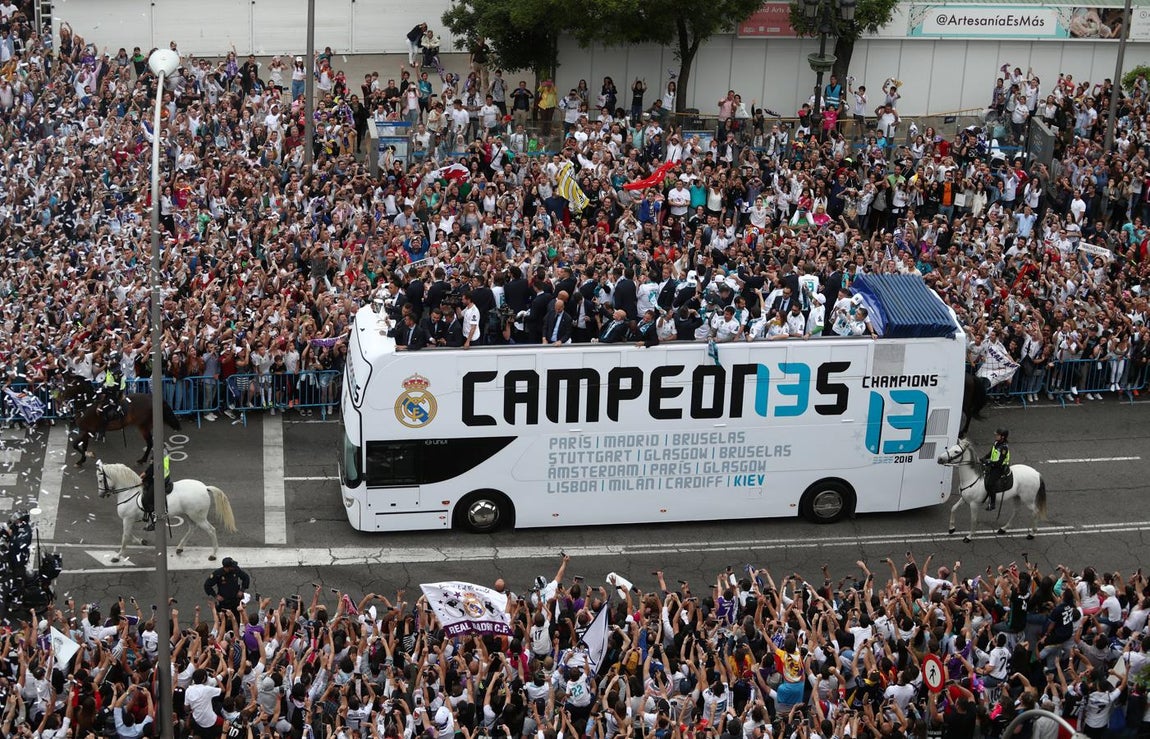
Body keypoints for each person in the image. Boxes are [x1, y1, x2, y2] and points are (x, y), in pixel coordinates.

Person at [139, 453, 172, 531]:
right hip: (164, 476)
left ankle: (154, 522)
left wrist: (143, 479)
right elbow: (152, 467)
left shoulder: (159, 452)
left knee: (147, 499)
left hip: (160, 479)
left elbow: (153, 468)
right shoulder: (163, 451)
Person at [96, 354, 126, 439]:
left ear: (115, 361)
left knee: (103, 409)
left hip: (116, 393)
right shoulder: (110, 368)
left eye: (111, 360)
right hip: (109, 390)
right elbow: (107, 379)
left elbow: (116, 387)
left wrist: (104, 389)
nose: (109, 361)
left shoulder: (117, 371)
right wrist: (102, 385)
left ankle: (102, 432)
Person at [982, 427, 1011, 511]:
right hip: (993, 464)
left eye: (997, 435)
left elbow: (999, 462)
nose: (995, 436)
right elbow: (990, 453)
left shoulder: (1004, 448)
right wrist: (983, 458)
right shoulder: (996, 443)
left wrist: (989, 463)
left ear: (1002, 437)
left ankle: (992, 503)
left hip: (999, 468)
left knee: (990, 483)